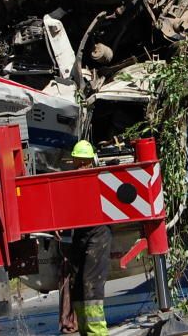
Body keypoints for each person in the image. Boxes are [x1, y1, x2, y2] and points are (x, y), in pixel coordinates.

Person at [59, 140, 111, 336]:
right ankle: (86, 332)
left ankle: (97, 333)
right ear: (73, 160)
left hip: (98, 234)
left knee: (91, 286)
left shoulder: (97, 179)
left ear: (91, 161)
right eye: (78, 162)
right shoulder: (69, 182)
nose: (82, 166)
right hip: (80, 236)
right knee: (78, 286)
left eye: (85, 162)